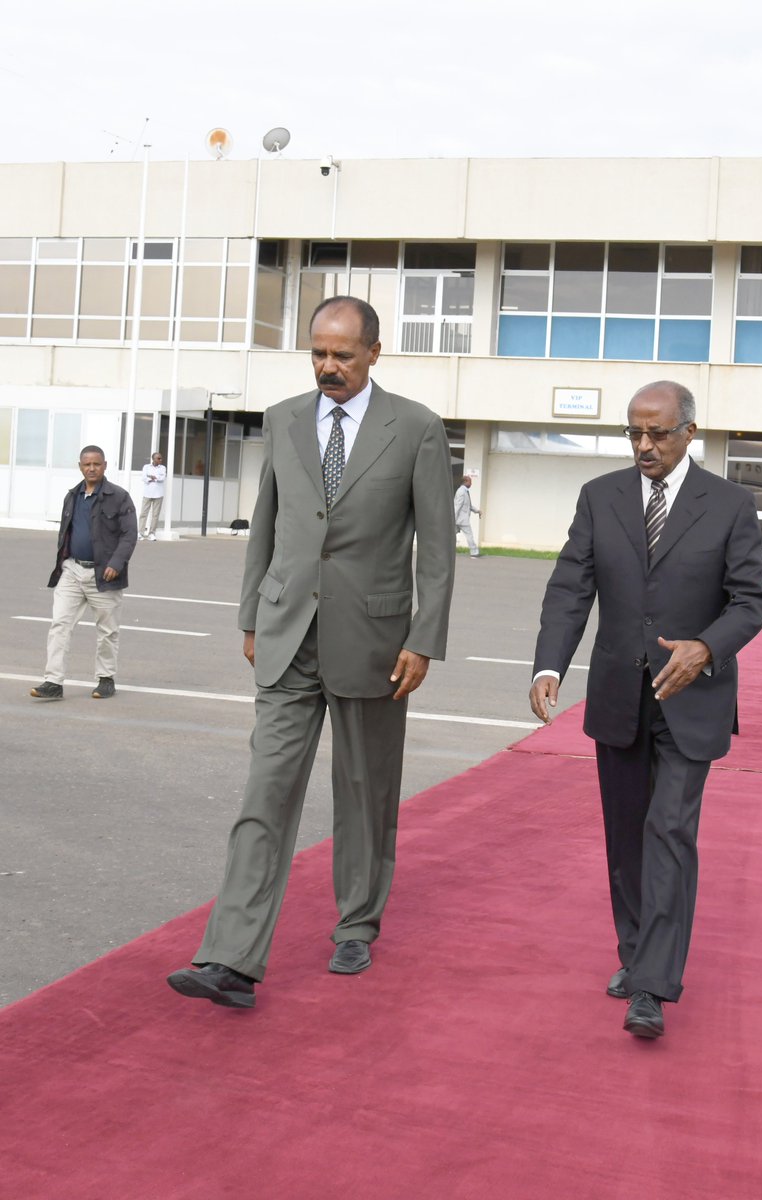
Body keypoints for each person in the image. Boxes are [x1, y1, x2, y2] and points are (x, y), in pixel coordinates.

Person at [167, 296, 456, 1009]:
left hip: (374, 643)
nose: (328, 367)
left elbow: (436, 548)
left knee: (364, 793)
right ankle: (231, 958)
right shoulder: (283, 419)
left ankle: (356, 923)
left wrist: (423, 639)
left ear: (374, 353)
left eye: (343, 355)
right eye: (318, 353)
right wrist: (250, 616)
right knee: (264, 793)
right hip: (286, 632)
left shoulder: (416, 428)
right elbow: (266, 524)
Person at [529, 381, 762, 1040]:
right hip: (618, 696)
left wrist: (706, 647)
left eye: (657, 433)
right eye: (633, 433)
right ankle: (635, 953)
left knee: (668, 830)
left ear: (689, 432)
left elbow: (751, 601)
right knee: (626, 837)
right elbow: (570, 587)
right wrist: (549, 665)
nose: (643, 445)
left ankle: (652, 986)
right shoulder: (599, 496)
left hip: (692, 699)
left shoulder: (729, 504)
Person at [30, 446, 137, 702]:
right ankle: (53, 681)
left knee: (107, 631)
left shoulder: (119, 497)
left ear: (105, 466)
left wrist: (116, 563)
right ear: (80, 466)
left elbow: (129, 534)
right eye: (87, 464)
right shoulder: (72, 496)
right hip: (72, 570)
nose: (91, 468)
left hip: (105, 575)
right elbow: (66, 533)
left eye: (96, 464)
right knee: (60, 625)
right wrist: (64, 561)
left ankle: (106, 679)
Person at [138, 452, 166, 541]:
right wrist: (153, 478)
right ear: (153, 459)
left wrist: (152, 477)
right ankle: (140, 533)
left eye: (161, 458)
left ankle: (152, 533)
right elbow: (144, 478)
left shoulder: (162, 468)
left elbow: (162, 478)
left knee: (155, 515)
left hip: (158, 494)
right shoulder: (146, 467)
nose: (160, 460)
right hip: (147, 493)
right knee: (143, 514)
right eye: (158, 458)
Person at [454, 474, 482, 557]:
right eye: (470, 482)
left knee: (451, 536)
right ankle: (474, 552)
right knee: (469, 536)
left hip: (458, 519)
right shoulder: (461, 492)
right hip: (461, 520)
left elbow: (469, 506)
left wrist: (477, 511)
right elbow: (457, 506)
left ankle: (446, 551)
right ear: (465, 482)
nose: (471, 484)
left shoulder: (464, 491)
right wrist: (453, 519)